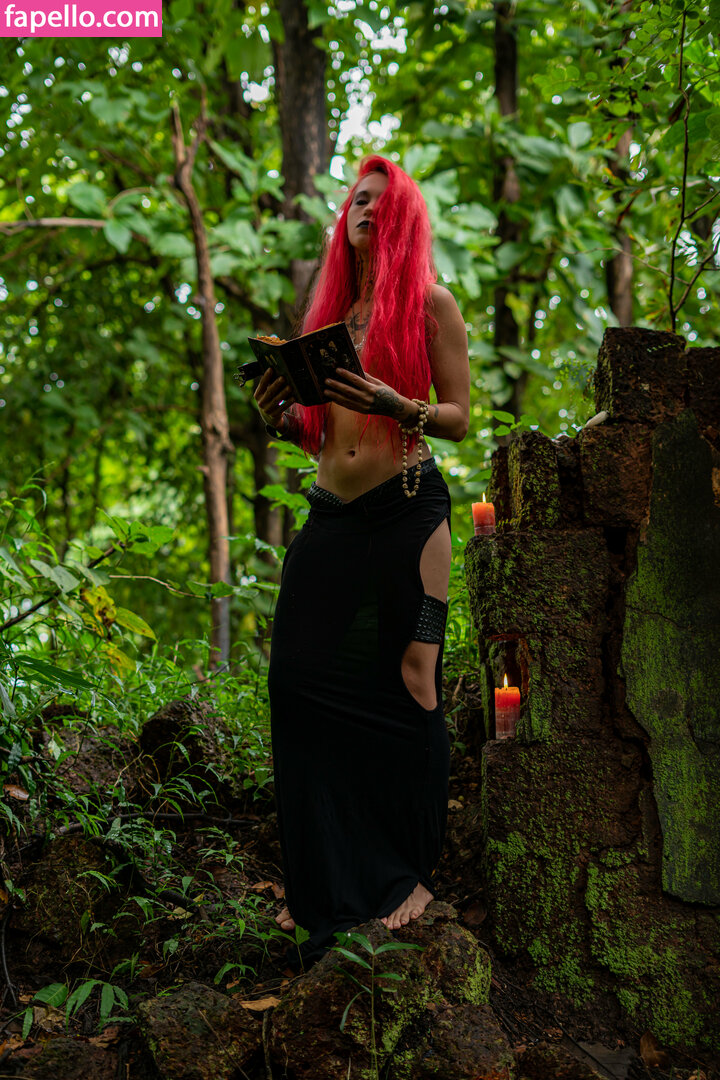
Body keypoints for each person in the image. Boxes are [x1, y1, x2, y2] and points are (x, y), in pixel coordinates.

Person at [253, 155, 470, 962]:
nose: (367, 211)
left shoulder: (431, 305)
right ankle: (322, 879)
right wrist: (282, 418)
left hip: (410, 512)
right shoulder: (331, 320)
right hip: (333, 519)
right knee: (296, 681)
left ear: (404, 216)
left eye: (382, 202)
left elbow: (458, 417)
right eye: (357, 202)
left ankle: (408, 873)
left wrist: (395, 403)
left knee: (413, 679)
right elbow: (322, 434)